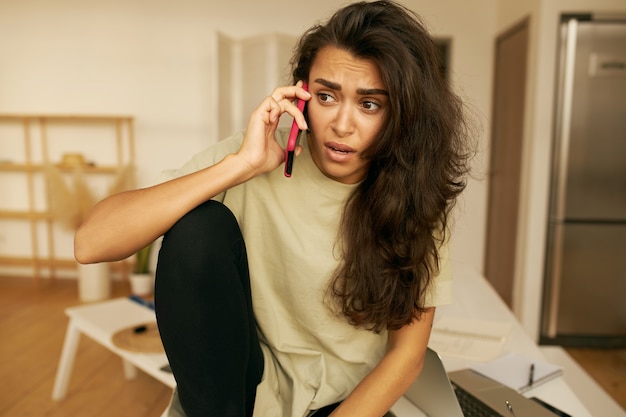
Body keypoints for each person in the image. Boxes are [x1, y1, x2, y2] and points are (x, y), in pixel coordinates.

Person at [74, 1, 473, 416]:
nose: (341, 124)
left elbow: (406, 356)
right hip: (237, 389)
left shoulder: (418, 199)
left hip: (339, 402)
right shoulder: (257, 153)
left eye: (369, 104)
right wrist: (240, 166)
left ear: (401, 115)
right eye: (326, 96)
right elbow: (90, 244)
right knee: (197, 225)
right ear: (301, 95)